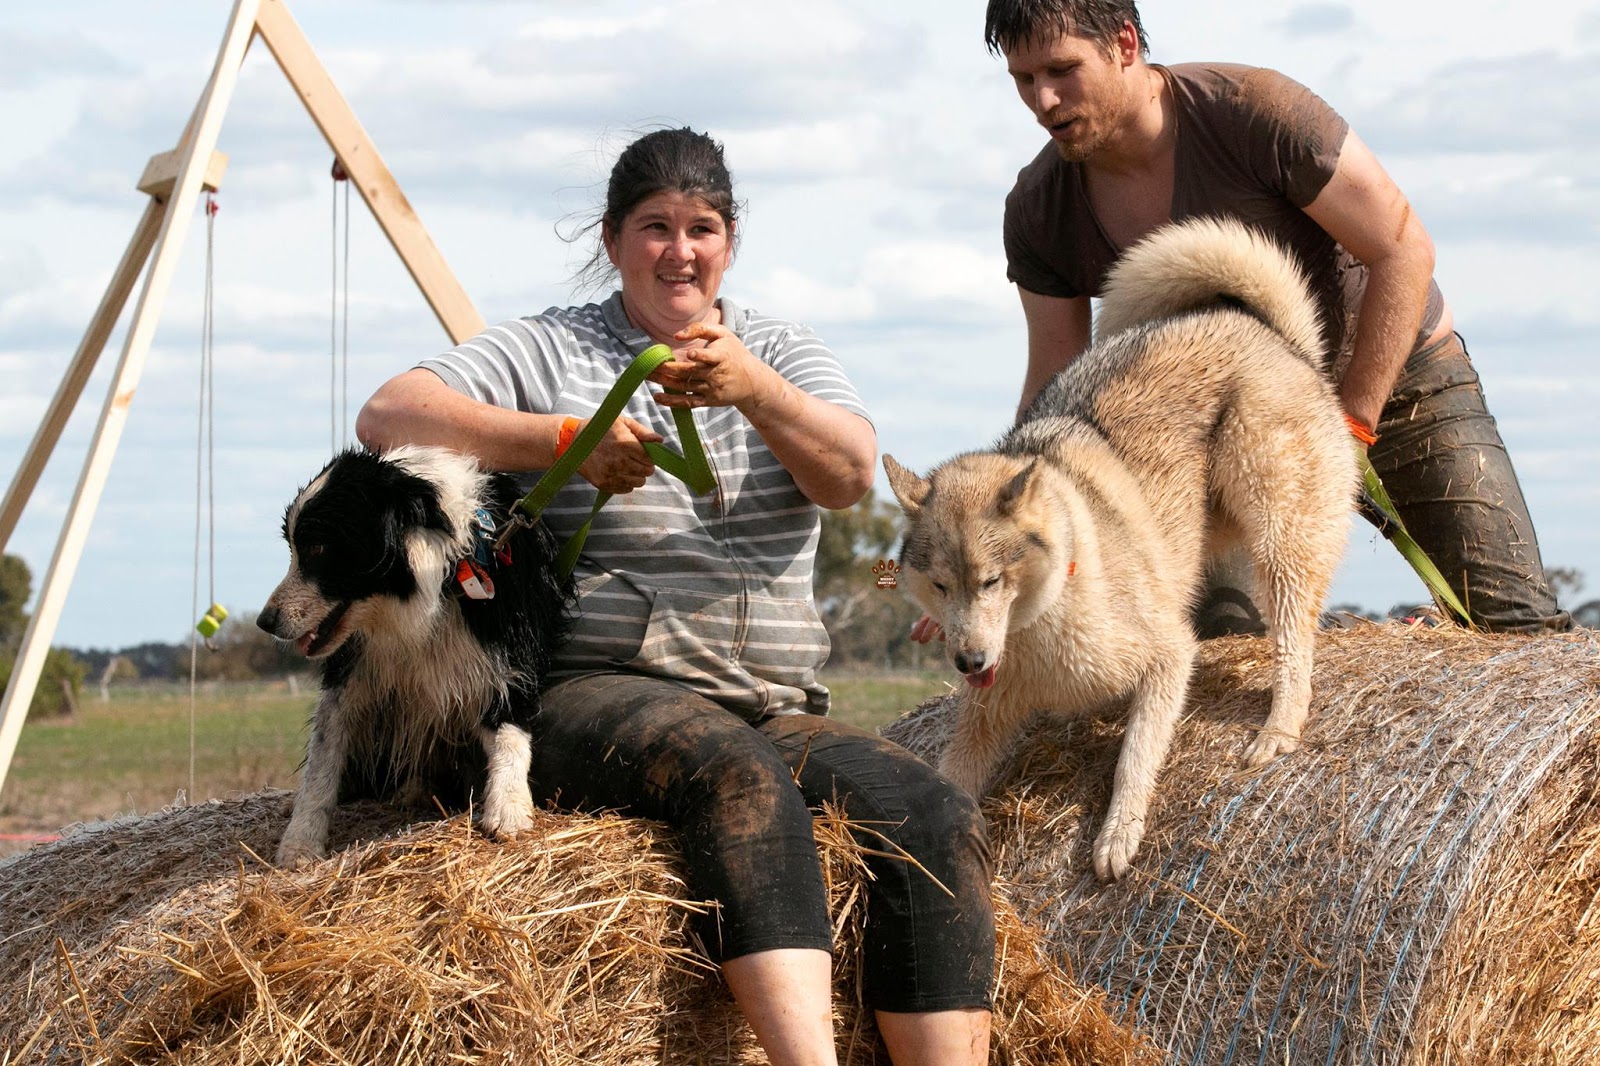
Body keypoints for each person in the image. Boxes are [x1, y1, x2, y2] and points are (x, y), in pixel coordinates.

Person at [356, 128, 994, 1066]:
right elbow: (386, 417)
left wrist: (756, 390)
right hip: (587, 688)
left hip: (769, 699)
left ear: (730, 241)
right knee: (738, 777)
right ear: (612, 241)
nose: (680, 251)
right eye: (655, 227)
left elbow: (851, 472)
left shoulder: (779, 350)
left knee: (932, 812)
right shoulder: (552, 345)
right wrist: (564, 438)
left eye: (702, 228)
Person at [975, 0, 1570, 635]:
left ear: (1124, 44)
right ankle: (1343, 654)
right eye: (1023, 79)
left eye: (1062, 70)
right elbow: (1054, 385)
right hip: (1212, 431)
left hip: (1398, 387)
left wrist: (1351, 427)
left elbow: (1404, 250)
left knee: (1517, 630)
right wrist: (983, 548)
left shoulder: (1256, 111)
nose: (1043, 100)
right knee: (1227, 645)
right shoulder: (1037, 209)